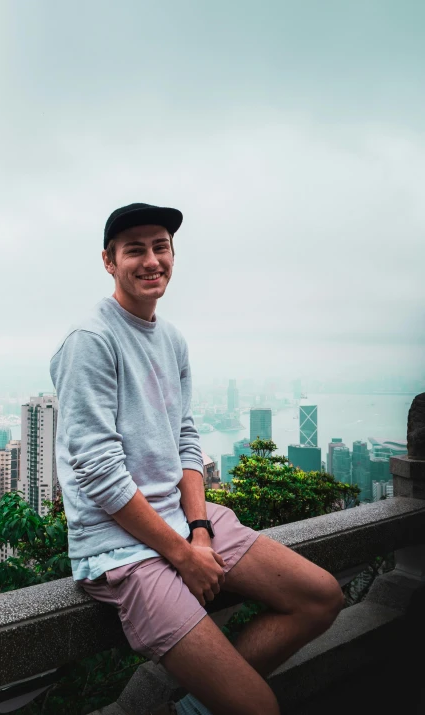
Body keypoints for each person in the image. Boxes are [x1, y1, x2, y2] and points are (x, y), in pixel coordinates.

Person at [50, 203, 344, 715]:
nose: (150, 260)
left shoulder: (172, 340)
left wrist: (201, 532)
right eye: (134, 249)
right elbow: (98, 471)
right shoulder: (91, 340)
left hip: (185, 522)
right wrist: (183, 554)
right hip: (119, 548)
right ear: (108, 261)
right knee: (259, 707)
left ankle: (193, 705)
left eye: (160, 247)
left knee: (321, 597)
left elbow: (186, 440)